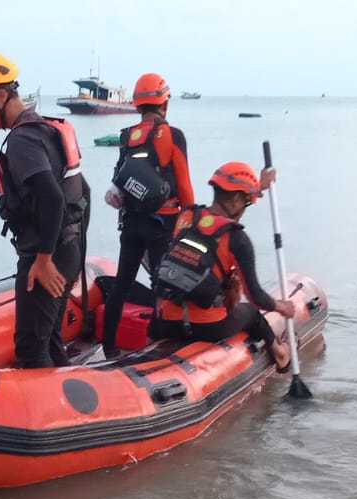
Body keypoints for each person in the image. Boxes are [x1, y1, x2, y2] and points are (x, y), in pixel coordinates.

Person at [0, 51, 90, 369]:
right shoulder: (46, 130)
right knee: (49, 340)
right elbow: (82, 193)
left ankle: (53, 415)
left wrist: (45, 259)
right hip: (67, 246)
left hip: (46, 256)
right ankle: (66, 403)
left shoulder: (22, 142)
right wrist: (72, 249)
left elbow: (52, 198)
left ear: (2, 95)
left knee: (31, 348)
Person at [148, 161, 297, 368]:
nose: (245, 209)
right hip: (207, 327)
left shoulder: (186, 216)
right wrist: (282, 307)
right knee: (252, 314)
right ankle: (281, 355)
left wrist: (257, 188)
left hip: (164, 323)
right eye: (246, 203)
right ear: (236, 198)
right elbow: (256, 297)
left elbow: (211, 228)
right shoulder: (237, 239)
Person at [100, 72, 196, 356]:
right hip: (162, 223)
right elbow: (185, 186)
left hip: (131, 222)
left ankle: (108, 347)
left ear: (137, 105)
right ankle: (159, 344)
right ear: (164, 103)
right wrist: (190, 226)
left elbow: (119, 179)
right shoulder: (173, 136)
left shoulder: (127, 137)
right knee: (161, 284)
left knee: (122, 283)